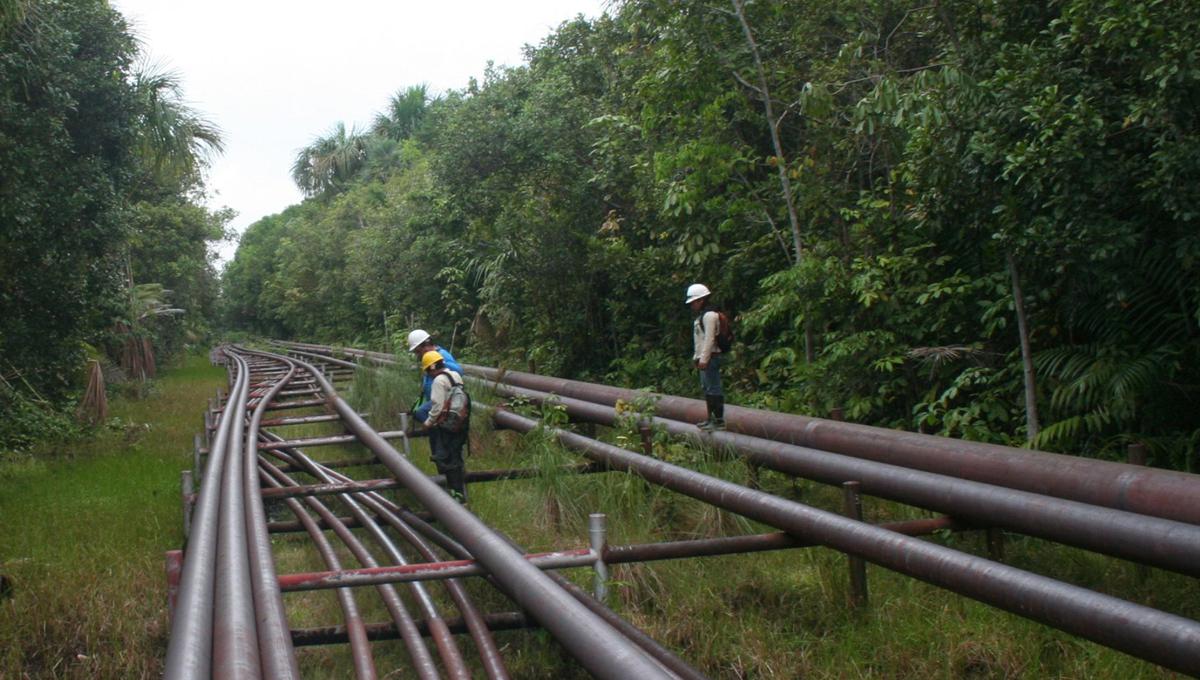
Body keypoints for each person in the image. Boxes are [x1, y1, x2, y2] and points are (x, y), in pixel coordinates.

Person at [417, 350, 470, 502]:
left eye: (427, 370)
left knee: (444, 457)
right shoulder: (455, 375)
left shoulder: (438, 381)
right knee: (456, 456)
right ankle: (460, 492)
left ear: (432, 367)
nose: (428, 374)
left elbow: (437, 407)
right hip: (460, 423)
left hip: (446, 425)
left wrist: (427, 423)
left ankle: (452, 492)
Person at [686, 283, 724, 430]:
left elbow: (709, 339)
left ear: (701, 300)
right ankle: (710, 419)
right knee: (707, 388)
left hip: (711, 359)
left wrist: (704, 359)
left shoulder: (709, 316)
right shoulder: (702, 316)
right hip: (705, 359)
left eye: (694, 302)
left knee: (713, 388)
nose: (692, 305)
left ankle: (718, 420)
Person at [406, 329, 463, 423]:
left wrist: (439, 363)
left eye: (418, 351)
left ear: (425, 346)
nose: (417, 355)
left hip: (444, 398)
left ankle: (437, 430)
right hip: (435, 398)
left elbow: (458, 371)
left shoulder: (441, 354)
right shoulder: (427, 357)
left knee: (422, 414)